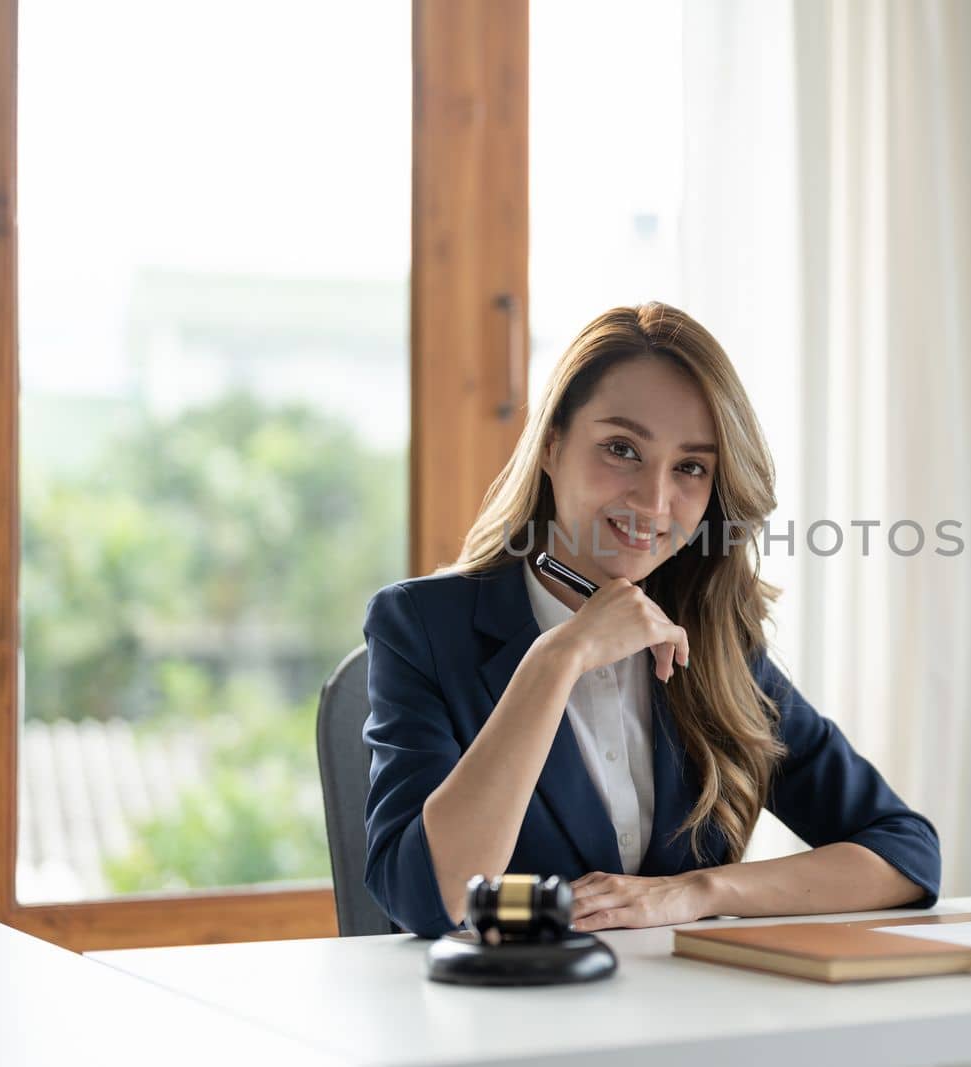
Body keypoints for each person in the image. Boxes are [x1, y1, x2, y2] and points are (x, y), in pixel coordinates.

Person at [362, 302, 940, 938]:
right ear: (552, 445)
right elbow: (424, 900)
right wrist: (557, 660)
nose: (654, 500)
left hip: (680, 1019)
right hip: (501, 1023)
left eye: (690, 466)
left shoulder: (713, 642)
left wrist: (697, 892)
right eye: (621, 449)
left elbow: (905, 853)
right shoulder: (420, 624)